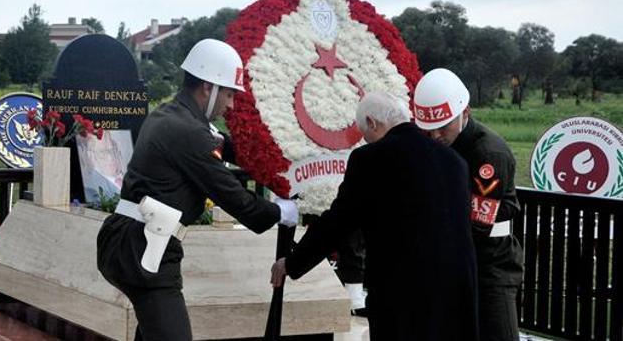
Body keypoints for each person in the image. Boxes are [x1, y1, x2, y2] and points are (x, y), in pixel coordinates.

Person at [97, 38, 298, 341]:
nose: (230, 104)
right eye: (229, 95)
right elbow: (237, 199)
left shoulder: (173, 116)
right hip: (143, 250)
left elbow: (224, 147)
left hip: (132, 242)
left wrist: (274, 159)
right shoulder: (187, 131)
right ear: (208, 87)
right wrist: (281, 210)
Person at [271, 91, 479, 341]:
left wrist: (292, 263)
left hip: (405, 293)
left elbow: (338, 222)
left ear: (372, 122)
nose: (365, 141)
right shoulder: (455, 161)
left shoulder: (371, 159)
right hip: (458, 289)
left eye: (364, 133)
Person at [414, 68, 524, 341]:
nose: (436, 135)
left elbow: (476, 224)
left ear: (465, 113)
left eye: (444, 126)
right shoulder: (437, 142)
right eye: (428, 129)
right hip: (451, 257)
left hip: (491, 262)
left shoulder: (488, 153)